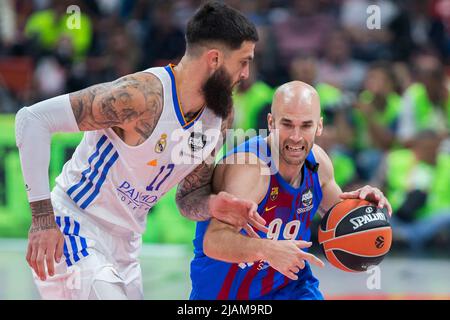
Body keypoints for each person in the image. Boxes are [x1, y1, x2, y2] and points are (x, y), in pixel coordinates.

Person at [15, 1, 266, 300]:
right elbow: (32, 120)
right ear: (214, 59)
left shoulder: (219, 116)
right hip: (76, 225)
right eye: (243, 61)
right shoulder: (140, 97)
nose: (246, 74)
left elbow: (187, 200)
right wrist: (42, 219)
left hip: (127, 247)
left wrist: (214, 205)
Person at [190, 81, 392, 300]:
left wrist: (366, 209)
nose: (296, 136)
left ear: (319, 126)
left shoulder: (319, 164)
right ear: (271, 123)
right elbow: (213, 242)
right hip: (227, 295)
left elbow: (340, 221)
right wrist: (267, 250)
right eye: (287, 124)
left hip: (291, 288)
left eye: (306, 125)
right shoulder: (251, 169)